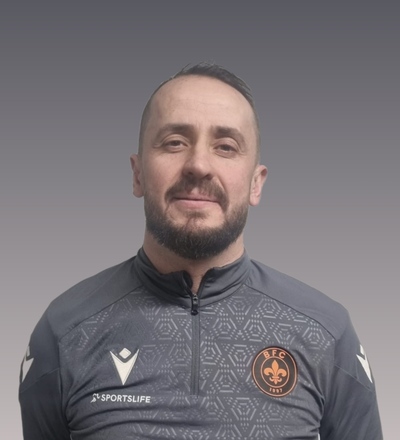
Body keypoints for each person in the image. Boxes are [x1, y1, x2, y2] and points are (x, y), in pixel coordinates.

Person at [19, 63, 383, 440]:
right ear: (138, 174)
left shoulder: (327, 332)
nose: (198, 165)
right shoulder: (64, 332)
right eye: (175, 142)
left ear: (256, 184)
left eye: (226, 147)